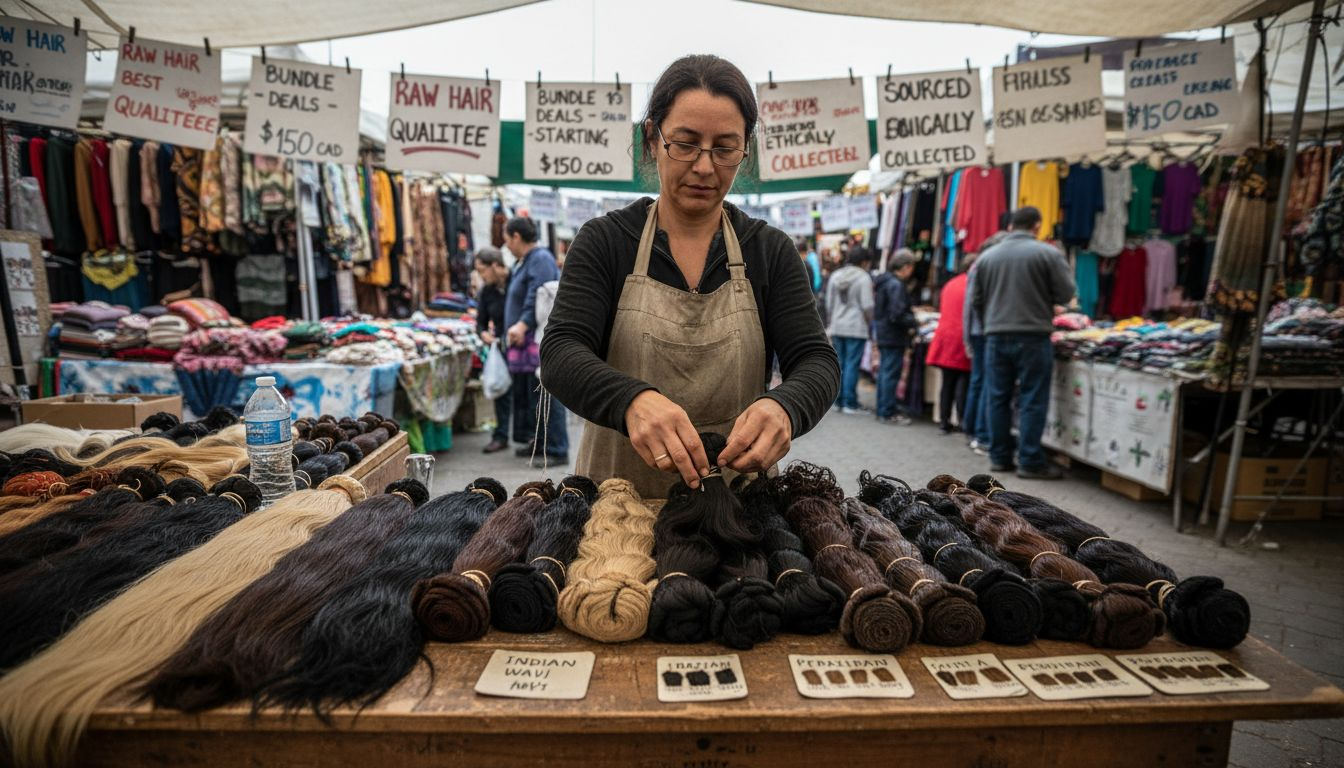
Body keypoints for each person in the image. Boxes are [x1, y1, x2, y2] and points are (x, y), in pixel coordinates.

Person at [539, 54, 839, 497]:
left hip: (739, 507)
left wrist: (786, 407)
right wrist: (631, 401)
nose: (704, 166)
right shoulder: (606, 241)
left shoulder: (769, 250)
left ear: (745, 151)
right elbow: (561, 353)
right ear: (652, 139)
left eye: (725, 148)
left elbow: (817, 360)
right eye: (685, 143)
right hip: (616, 507)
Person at [968, 207, 1075, 480]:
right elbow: (1066, 293)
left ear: (1011, 225)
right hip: (1033, 335)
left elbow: (976, 300)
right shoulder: (1047, 253)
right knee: (1032, 398)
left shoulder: (987, 257)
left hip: (996, 335)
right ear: (1036, 225)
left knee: (998, 397)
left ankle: (999, 457)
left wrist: (992, 321)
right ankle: (1029, 460)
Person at [503, 216, 570, 465]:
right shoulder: (528, 260)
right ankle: (541, 443)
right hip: (529, 340)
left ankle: (557, 448)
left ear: (516, 237)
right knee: (536, 394)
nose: (506, 245)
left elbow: (537, 295)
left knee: (548, 389)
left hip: (538, 338)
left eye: (507, 239)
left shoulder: (540, 259)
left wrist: (522, 323)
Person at [962, 231, 1008, 456]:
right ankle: (980, 434)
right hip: (984, 331)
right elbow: (972, 305)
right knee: (986, 382)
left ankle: (972, 430)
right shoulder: (983, 267)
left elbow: (970, 306)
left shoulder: (979, 267)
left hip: (979, 331)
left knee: (979, 381)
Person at [926, 252, 974, 435]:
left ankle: (944, 421)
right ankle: (962, 421)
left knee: (947, 383)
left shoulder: (950, 284)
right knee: (963, 382)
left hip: (946, 337)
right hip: (962, 338)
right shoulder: (971, 284)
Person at [825, 247, 874, 415]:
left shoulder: (835, 276)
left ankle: (837, 400)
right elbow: (867, 306)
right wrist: (870, 324)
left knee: (839, 364)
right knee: (852, 364)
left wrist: (831, 322)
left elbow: (829, 304)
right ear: (864, 262)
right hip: (856, 327)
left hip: (837, 325)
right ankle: (850, 402)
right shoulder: (863, 278)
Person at [872, 249, 917, 425]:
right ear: (906, 267)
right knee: (890, 372)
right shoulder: (895, 285)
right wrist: (914, 321)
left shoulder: (885, 282)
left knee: (885, 372)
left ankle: (883, 408)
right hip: (893, 334)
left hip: (885, 332)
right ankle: (887, 411)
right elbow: (897, 314)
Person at [474, 247, 512, 453]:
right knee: (501, 390)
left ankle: (530, 434)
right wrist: (483, 334)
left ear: (495, 265)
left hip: (521, 345)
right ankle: (501, 435)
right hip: (500, 345)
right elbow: (480, 322)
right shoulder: (486, 292)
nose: (481, 276)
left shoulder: (515, 281)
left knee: (526, 391)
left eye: (482, 270)